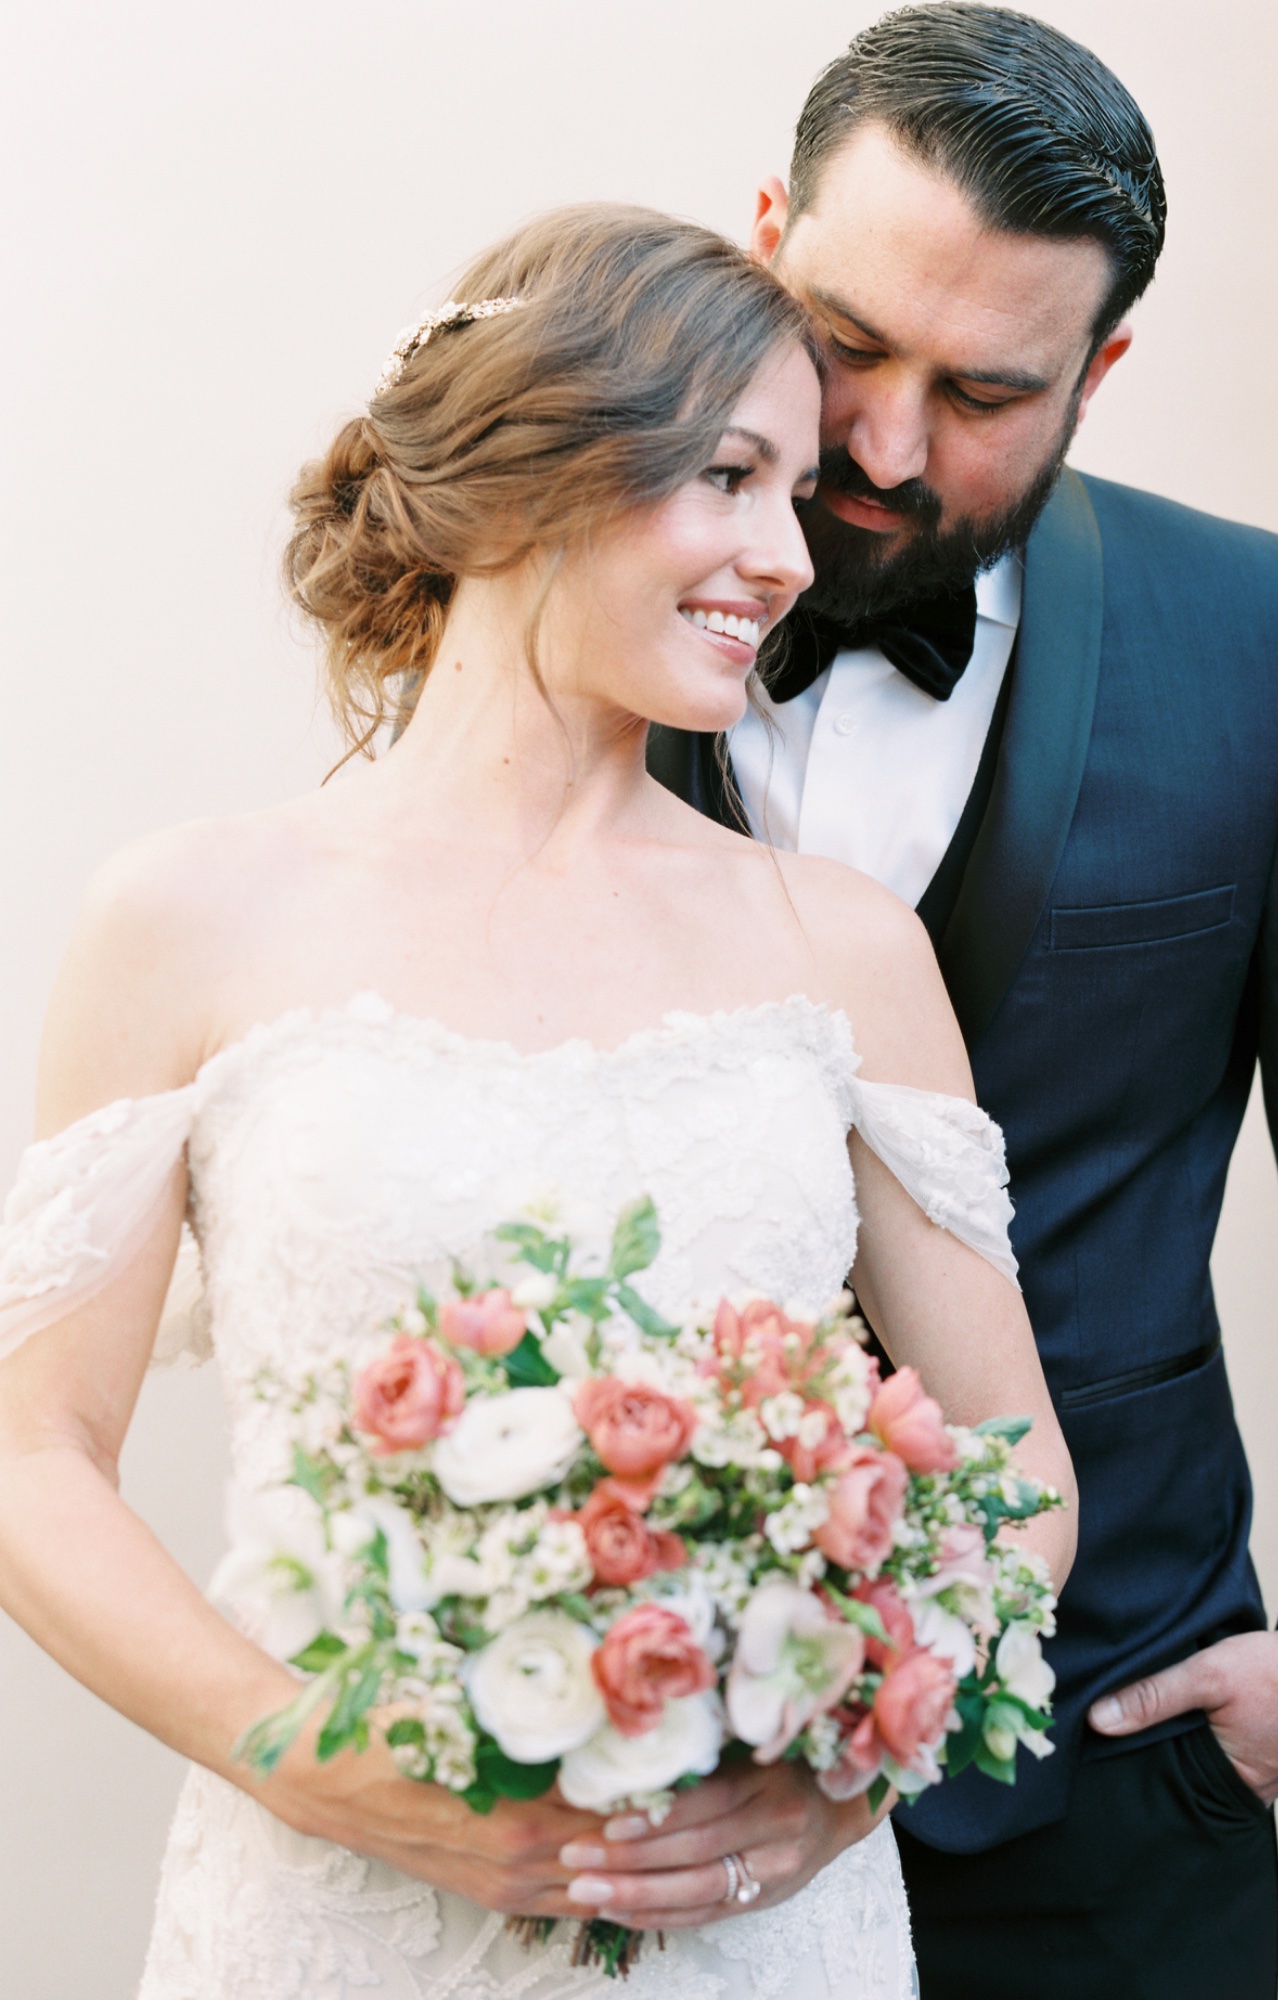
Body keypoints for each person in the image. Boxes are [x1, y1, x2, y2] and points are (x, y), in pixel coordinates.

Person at [0, 205, 1077, 1998]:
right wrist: (311, 1767)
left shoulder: (845, 946)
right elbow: (29, 1461)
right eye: (728, 475)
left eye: (792, 494)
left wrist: (840, 1785)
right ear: (528, 468)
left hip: (757, 1928)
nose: (786, 555)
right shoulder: (182, 918)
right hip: (330, 1914)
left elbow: (1016, 1472)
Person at [648, 7, 1278, 1997]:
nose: (882, 446)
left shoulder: (1277, 645)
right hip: (633, 1768)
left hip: (1104, 1754)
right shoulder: (558, 604)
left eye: (989, 388)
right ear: (761, 234)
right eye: (846, 340)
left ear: (1102, 370)